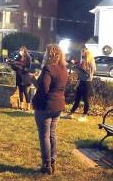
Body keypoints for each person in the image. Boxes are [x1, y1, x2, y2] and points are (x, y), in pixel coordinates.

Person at [32, 44, 68, 175]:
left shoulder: (48, 68)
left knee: (44, 136)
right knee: (52, 134)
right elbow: (59, 88)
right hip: (58, 106)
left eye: (46, 53)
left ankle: (46, 164)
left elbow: (44, 89)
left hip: (45, 107)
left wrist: (33, 81)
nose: (44, 55)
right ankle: (52, 161)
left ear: (50, 54)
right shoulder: (64, 69)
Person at [64, 47, 96, 122]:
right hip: (81, 81)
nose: (82, 53)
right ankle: (71, 113)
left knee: (85, 99)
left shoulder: (91, 62)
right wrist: (76, 68)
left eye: (83, 52)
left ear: (87, 53)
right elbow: (80, 71)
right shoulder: (83, 61)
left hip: (87, 82)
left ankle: (84, 115)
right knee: (77, 98)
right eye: (81, 52)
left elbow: (92, 72)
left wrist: (85, 70)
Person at [10, 46, 32, 110]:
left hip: (25, 77)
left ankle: (28, 105)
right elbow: (15, 67)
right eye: (20, 50)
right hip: (19, 76)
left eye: (21, 51)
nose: (20, 52)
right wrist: (13, 65)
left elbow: (29, 68)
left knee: (25, 91)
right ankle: (21, 105)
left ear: (24, 51)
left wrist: (22, 68)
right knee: (20, 91)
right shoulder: (18, 57)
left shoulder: (28, 58)